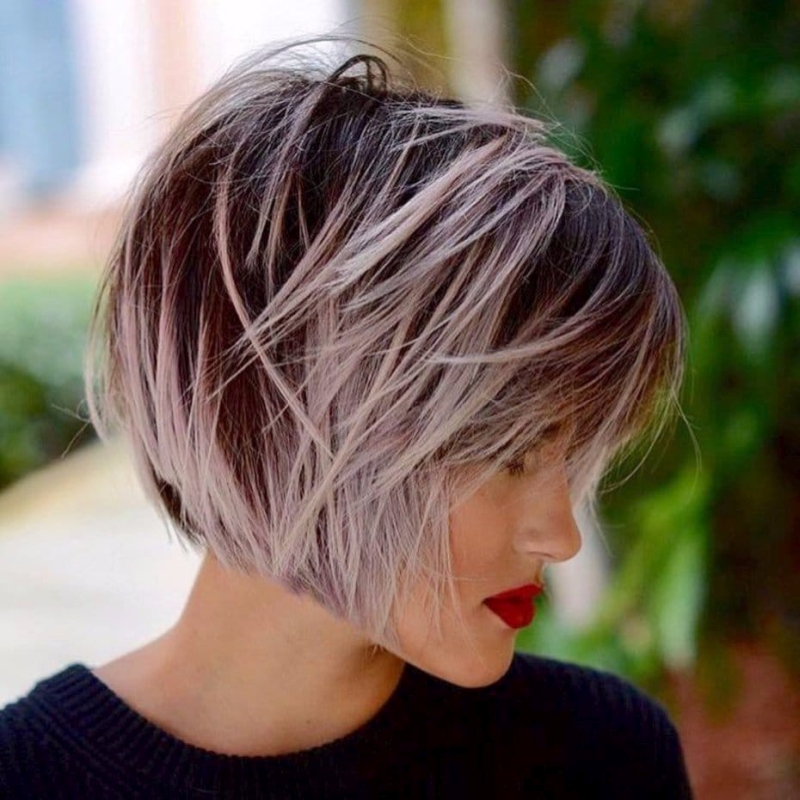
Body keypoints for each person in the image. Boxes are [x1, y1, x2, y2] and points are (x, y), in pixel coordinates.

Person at [0, 38, 693, 798]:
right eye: (507, 452)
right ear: (281, 410)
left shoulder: (602, 756)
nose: (558, 537)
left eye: (572, 450)